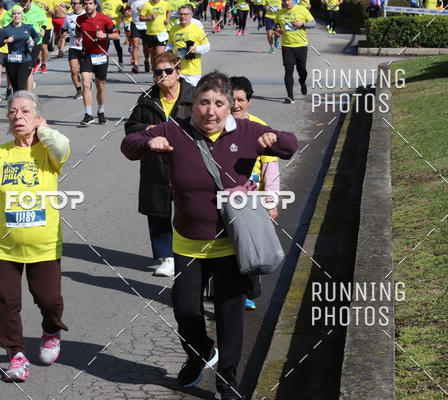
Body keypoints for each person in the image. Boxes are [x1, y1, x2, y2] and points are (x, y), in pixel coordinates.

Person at [121, 72, 298, 400]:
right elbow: (128, 145)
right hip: (188, 243)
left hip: (231, 243)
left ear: (230, 106)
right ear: (194, 104)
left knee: (230, 316)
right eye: (204, 102)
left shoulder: (246, 131)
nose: (210, 110)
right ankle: (200, 351)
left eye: (219, 103)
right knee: (186, 310)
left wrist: (275, 140)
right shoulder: (175, 130)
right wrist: (147, 141)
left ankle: (227, 381)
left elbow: (290, 145)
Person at [0, 91, 70, 383]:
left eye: (25, 111)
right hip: (4, 247)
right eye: (12, 111)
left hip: (44, 245)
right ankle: (16, 355)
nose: (17, 116)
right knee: (7, 303)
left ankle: (51, 331)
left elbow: (63, 147)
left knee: (49, 300)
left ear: (38, 118)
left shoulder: (49, 152)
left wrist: (43, 129)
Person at [124, 52, 195, 277]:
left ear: (178, 72)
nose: (163, 75)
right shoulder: (147, 99)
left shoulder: (195, 97)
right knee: (158, 211)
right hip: (155, 164)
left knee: (191, 209)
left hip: (187, 163)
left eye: (168, 71)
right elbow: (130, 127)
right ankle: (167, 257)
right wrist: (147, 130)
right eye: (158, 72)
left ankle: (190, 253)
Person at [229, 76, 280, 310]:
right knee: (226, 250)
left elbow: (271, 170)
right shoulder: (215, 126)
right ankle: (227, 292)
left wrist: (271, 203)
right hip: (222, 197)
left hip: (251, 200)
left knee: (248, 246)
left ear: (249, 101)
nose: (236, 105)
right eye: (231, 99)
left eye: (241, 100)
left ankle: (248, 292)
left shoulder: (260, 129)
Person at [76, 0, 120, 126]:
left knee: (100, 85)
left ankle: (101, 112)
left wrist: (105, 35)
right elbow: (78, 32)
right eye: (86, 4)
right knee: (85, 83)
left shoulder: (104, 19)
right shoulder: (80, 19)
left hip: (101, 55)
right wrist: (79, 38)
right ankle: (88, 115)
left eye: (90, 3)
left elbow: (117, 35)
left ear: (95, 5)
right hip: (86, 55)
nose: (88, 6)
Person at [0, 0, 47, 90]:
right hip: (17, 42)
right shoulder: (15, 9)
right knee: (14, 68)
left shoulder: (37, 10)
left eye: (26, 1)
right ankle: (12, 89)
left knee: (29, 69)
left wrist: (43, 29)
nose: (24, 3)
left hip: (33, 42)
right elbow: (4, 22)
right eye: (22, 1)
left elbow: (44, 21)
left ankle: (28, 94)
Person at [274, 0, 314, 103]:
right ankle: (290, 97)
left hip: (301, 45)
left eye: (288, 0)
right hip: (287, 46)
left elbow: (313, 23)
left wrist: (302, 24)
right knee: (288, 70)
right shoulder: (280, 13)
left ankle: (302, 81)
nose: (286, 2)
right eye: (284, 0)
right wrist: (277, 33)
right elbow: (277, 27)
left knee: (302, 70)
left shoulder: (302, 9)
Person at [168, 4, 209, 87]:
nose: (183, 16)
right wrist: (168, 53)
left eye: (186, 14)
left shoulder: (197, 29)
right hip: (177, 70)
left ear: (191, 15)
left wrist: (195, 49)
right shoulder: (174, 29)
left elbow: (207, 46)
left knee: (192, 94)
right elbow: (170, 45)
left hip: (192, 72)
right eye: (181, 14)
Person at [64, 0, 84, 99]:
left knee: (84, 72)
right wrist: (64, 34)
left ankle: (87, 83)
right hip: (73, 47)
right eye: (71, 3)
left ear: (81, 4)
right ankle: (79, 91)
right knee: (74, 70)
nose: (72, 5)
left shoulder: (86, 15)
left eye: (75, 3)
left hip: (85, 47)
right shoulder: (68, 16)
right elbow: (64, 29)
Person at [101, 0, 125, 68]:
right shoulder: (102, 1)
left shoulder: (118, 1)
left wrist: (112, 16)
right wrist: (104, 16)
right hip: (104, 27)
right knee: (105, 46)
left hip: (114, 26)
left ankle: (120, 61)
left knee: (117, 45)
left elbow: (123, 14)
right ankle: (104, 64)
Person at [129, 0, 151, 73]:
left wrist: (143, 9)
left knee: (146, 46)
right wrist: (127, 12)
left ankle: (146, 60)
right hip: (135, 24)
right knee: (135, 45)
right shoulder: (130, 0)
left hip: (146, 25)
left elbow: (153, 10)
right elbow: (127, 7)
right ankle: (136, 65)